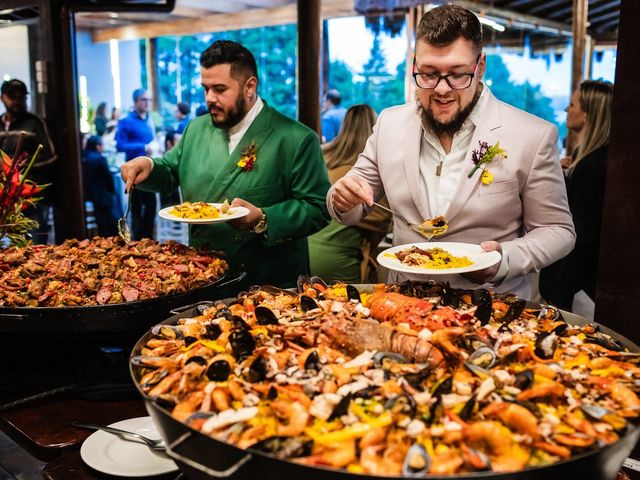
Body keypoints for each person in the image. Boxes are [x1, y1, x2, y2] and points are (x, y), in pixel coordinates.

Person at [327, 4, 575, 300]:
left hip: (492, 308)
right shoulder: (389, 123)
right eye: (428, 74)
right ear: (414, 65)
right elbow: (352, 206)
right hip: (403, 303)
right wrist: (341, 198)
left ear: (479, 66)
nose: (441, 89)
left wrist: (504, 259)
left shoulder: (532, 135)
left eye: (457, 75)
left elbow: (558, 230)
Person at [121, 40, 330, 288]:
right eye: (205, 89)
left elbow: (318, 208)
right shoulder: (195, 129)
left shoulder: (296, 138)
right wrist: (148, 165)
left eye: (219, 89)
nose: (210, 98)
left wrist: (263, 218)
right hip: (204, 275)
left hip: (269, 284)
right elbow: (169, 169)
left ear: (250, 87)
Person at [540, 80, 614, 310]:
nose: (566, 110)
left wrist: (559, 290)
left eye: (572, 104)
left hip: (573, 279)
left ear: (588, 114)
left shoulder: (593, 165)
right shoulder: (588, 158)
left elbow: (582, 232)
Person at [309, 105, 391, 283]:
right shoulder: (366, 178)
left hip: (306, 253)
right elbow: (384, 220)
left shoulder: (324, 158)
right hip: (339, 261)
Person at [0, 79, 58, 244]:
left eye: (22, 97)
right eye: (12, 97)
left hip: (30, 196)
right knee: (8, 248)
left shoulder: (35, 123)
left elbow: (51, 155)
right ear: (2, 98)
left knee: (35, 244)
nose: (17, 101)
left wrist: (21, 164)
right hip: (4, 198)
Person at [116, 88, 158, 240]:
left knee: (151, 208)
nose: (147, 103)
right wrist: (142, 147)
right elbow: (120, 145)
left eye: (149, 100)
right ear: (135, 102)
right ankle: (137, 242)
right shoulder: (126, 121)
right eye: (144, 100)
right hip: (134, 172)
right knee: (136, 209)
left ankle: (148, 240)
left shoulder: (150, 119)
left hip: (149, 170)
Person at [82, 135, 119, 237]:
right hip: (104, 195)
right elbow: (108, 178)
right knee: (111, 221)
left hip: (92, 195)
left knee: (101, 222)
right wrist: (112, 191)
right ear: (97, 146)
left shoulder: (84, 157)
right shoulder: (99, 159)